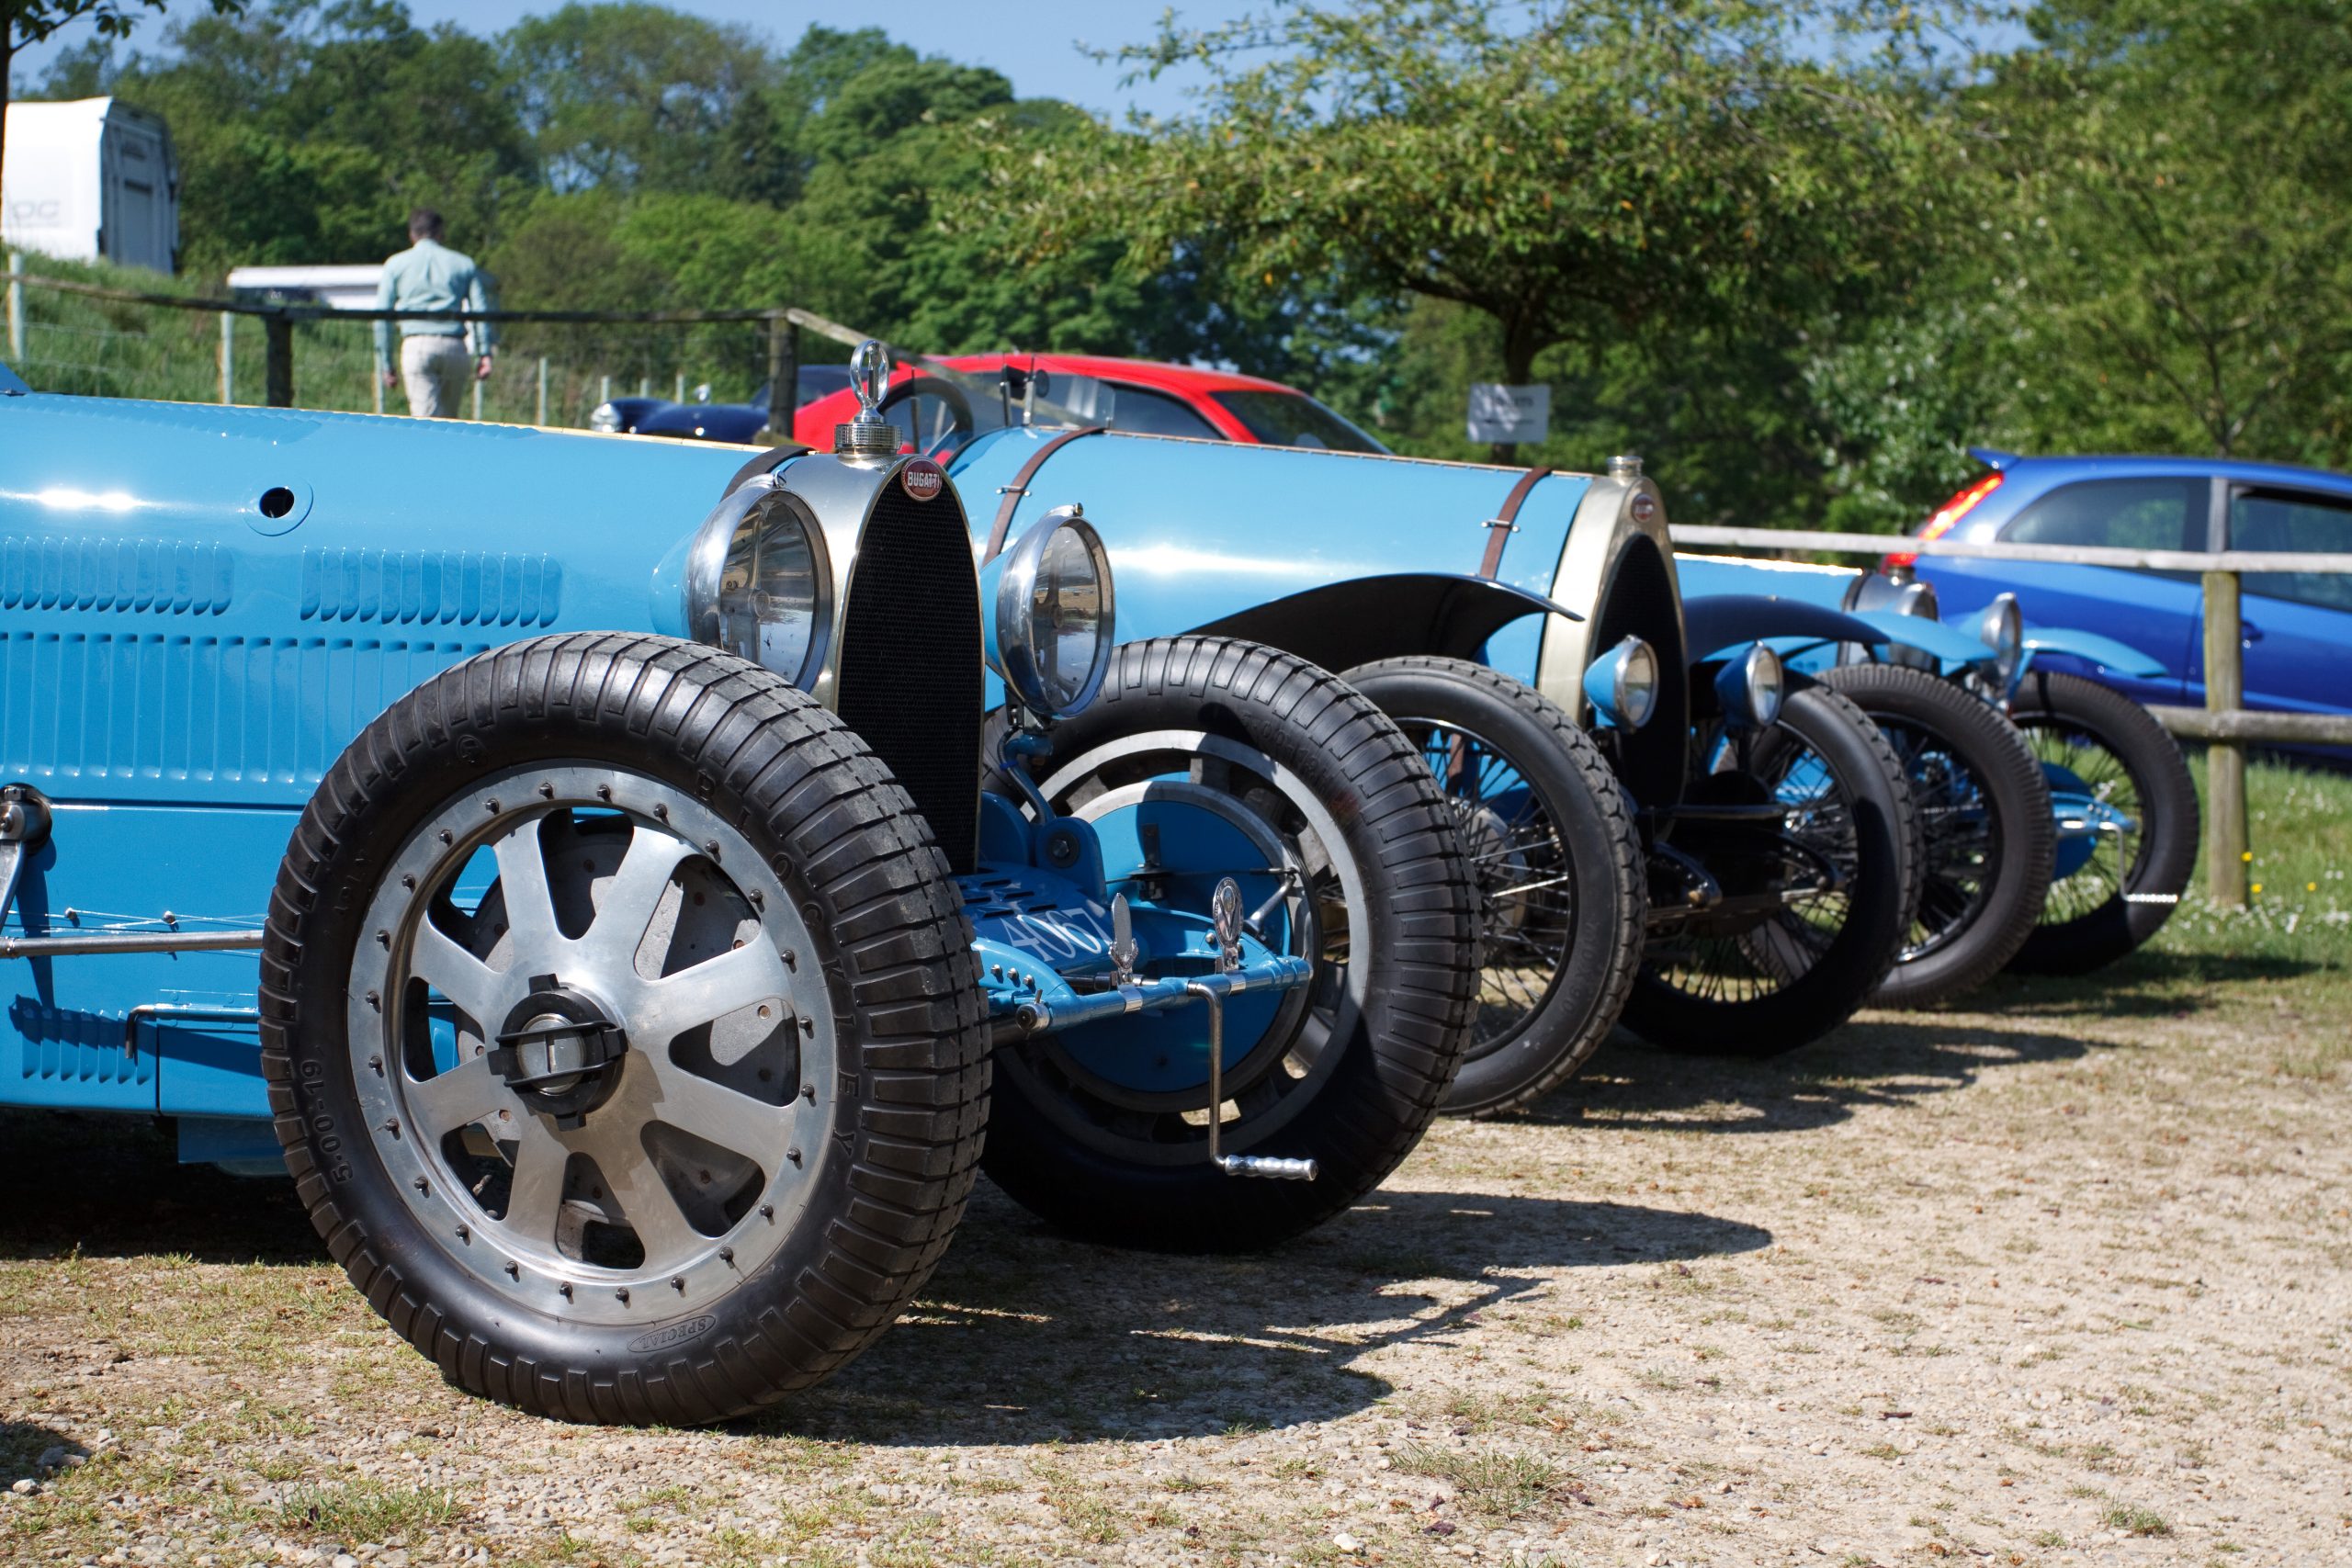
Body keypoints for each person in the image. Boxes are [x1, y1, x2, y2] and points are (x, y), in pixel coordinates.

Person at [375, 209, 495, 418]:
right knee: (450, 422)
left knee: (426, 423)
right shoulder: (464, 263)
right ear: (440, 233)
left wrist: (386, 362)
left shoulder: (395, 264)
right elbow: (480, 310)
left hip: (416, 345)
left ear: (412, 234)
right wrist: (485, 353)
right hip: (455, 347)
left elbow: (382, 316)